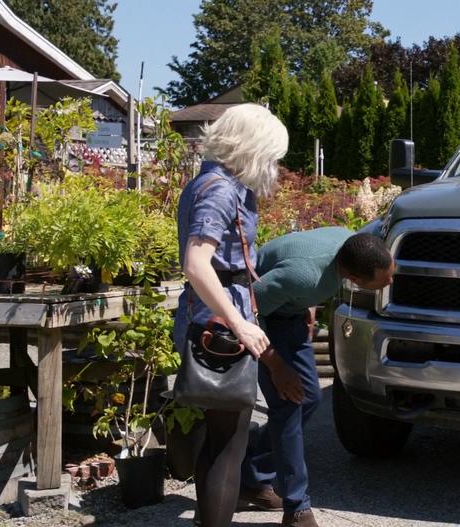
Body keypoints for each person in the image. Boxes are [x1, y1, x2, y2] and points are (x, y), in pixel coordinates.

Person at [173, 103, 288, 527]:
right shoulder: (221, 189)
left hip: (208, 321)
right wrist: (240, 323)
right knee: (229, 446)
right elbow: (197, 263)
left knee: (217, 440)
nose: (275, 165)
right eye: (272, 156)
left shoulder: (207, 182)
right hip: (220, 329)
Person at [238, 230, 395, 527]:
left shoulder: (355, 246)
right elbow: (244, 311)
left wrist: (307, 306)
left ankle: (250, 475)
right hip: (262, 322)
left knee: (310, 397)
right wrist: (276, 365)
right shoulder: (305, 277)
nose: (391, 281)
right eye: (384, 279)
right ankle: (297, 508)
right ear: (353, 276)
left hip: (290, 313)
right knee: (288, 404)